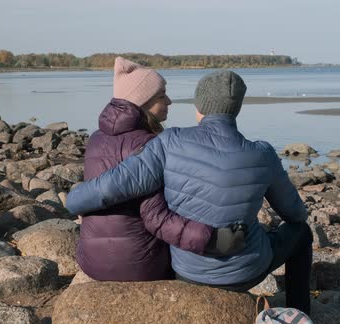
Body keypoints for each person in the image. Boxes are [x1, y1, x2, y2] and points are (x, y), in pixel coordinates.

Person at [67, 70, 313, 314]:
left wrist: (74, 201)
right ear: (237, 108)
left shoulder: (169, 142)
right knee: (301, 233)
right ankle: (299, 313)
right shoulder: (263, 153)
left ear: (199, 106)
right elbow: (295, 214)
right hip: (246, 272)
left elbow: (112, 186)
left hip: (187, 273)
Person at [77, 58, 243, 282]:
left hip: (90, 261)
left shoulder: (96, 138)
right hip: (138, 265)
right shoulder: (151, 144)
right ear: (143, 101)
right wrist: (213, 239)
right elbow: (156, 218)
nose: (169, 101)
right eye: (162, 95)